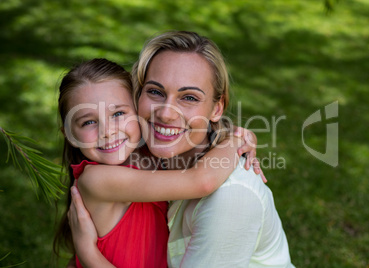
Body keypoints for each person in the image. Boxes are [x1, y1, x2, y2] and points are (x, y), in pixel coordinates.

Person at [69, 31, 294, 267]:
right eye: (155, 92)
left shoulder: (230, 198)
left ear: (217, 109)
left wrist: (88, 254)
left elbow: (204, 181)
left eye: (189, 98)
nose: (166, 113)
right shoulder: (147, 158)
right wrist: (235, 138)